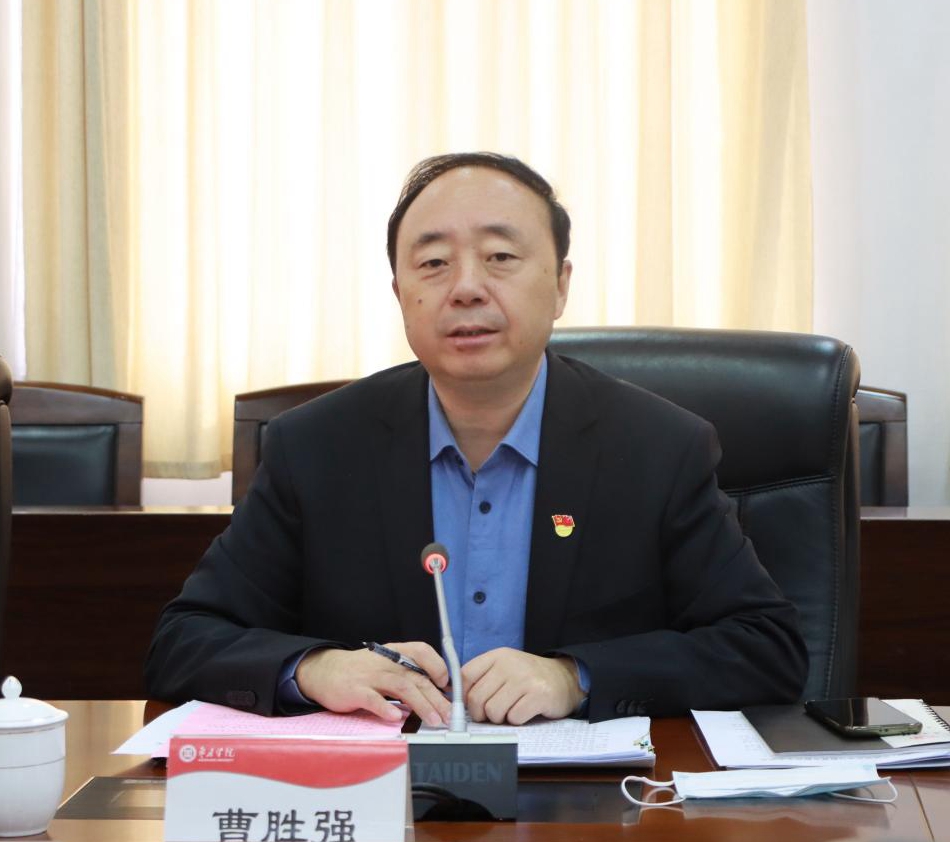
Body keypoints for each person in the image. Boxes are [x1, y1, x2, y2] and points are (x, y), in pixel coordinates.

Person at [145, 152, 807, 725]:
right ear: (400, 293)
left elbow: (765, 648)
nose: (466, 288)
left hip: (593, 803)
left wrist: (575, 678)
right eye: (434, 262)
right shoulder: (316, 447)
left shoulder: (657, 448)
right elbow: (184, 640)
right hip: (385, 797)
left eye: (500, 258)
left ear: (560, 286)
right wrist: (313, 668)